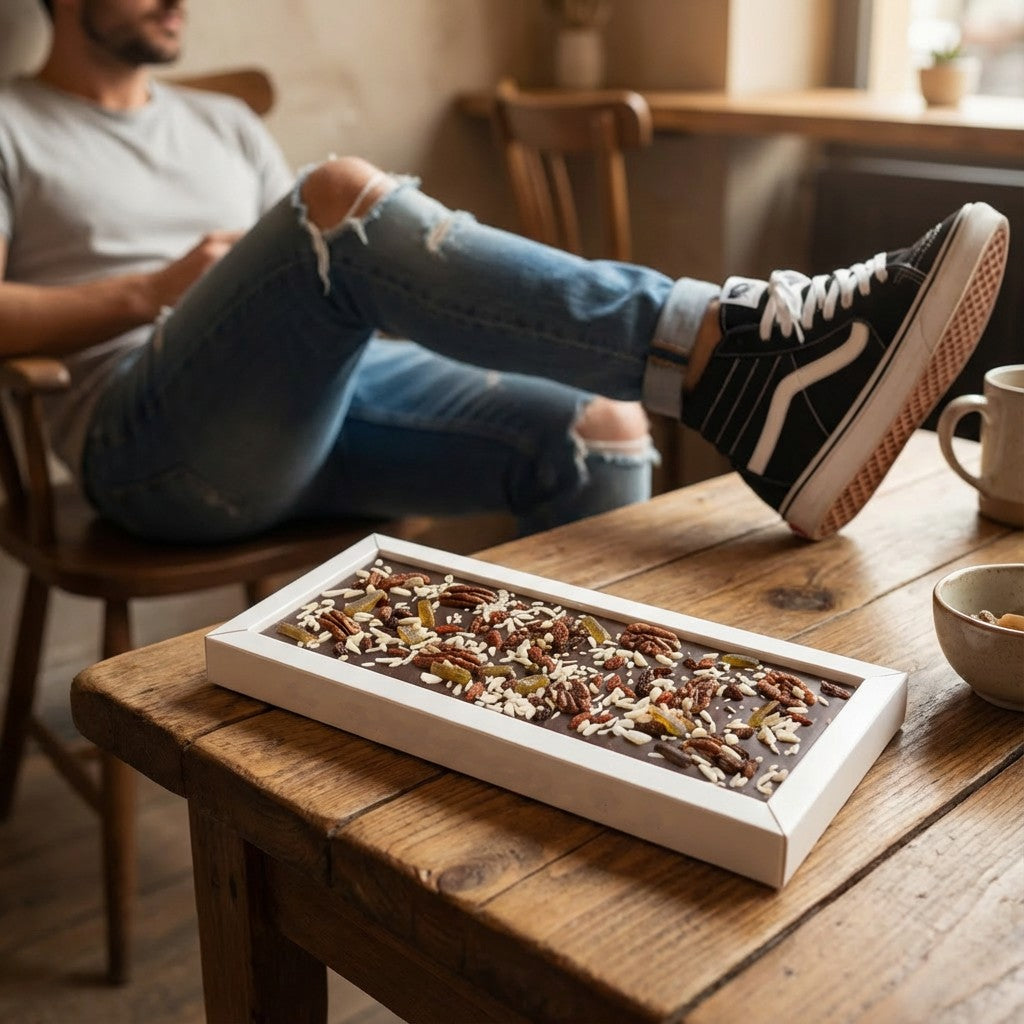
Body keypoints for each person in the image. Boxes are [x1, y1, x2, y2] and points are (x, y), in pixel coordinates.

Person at [0, 0, 1010, 548]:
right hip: (158, 447)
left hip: (313, 406)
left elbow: (307, 296)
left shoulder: (219, 119)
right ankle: (730, 348)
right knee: (338, 196)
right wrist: (154, 289)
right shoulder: (14, 123)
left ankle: (606, 726)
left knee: (599, 426)